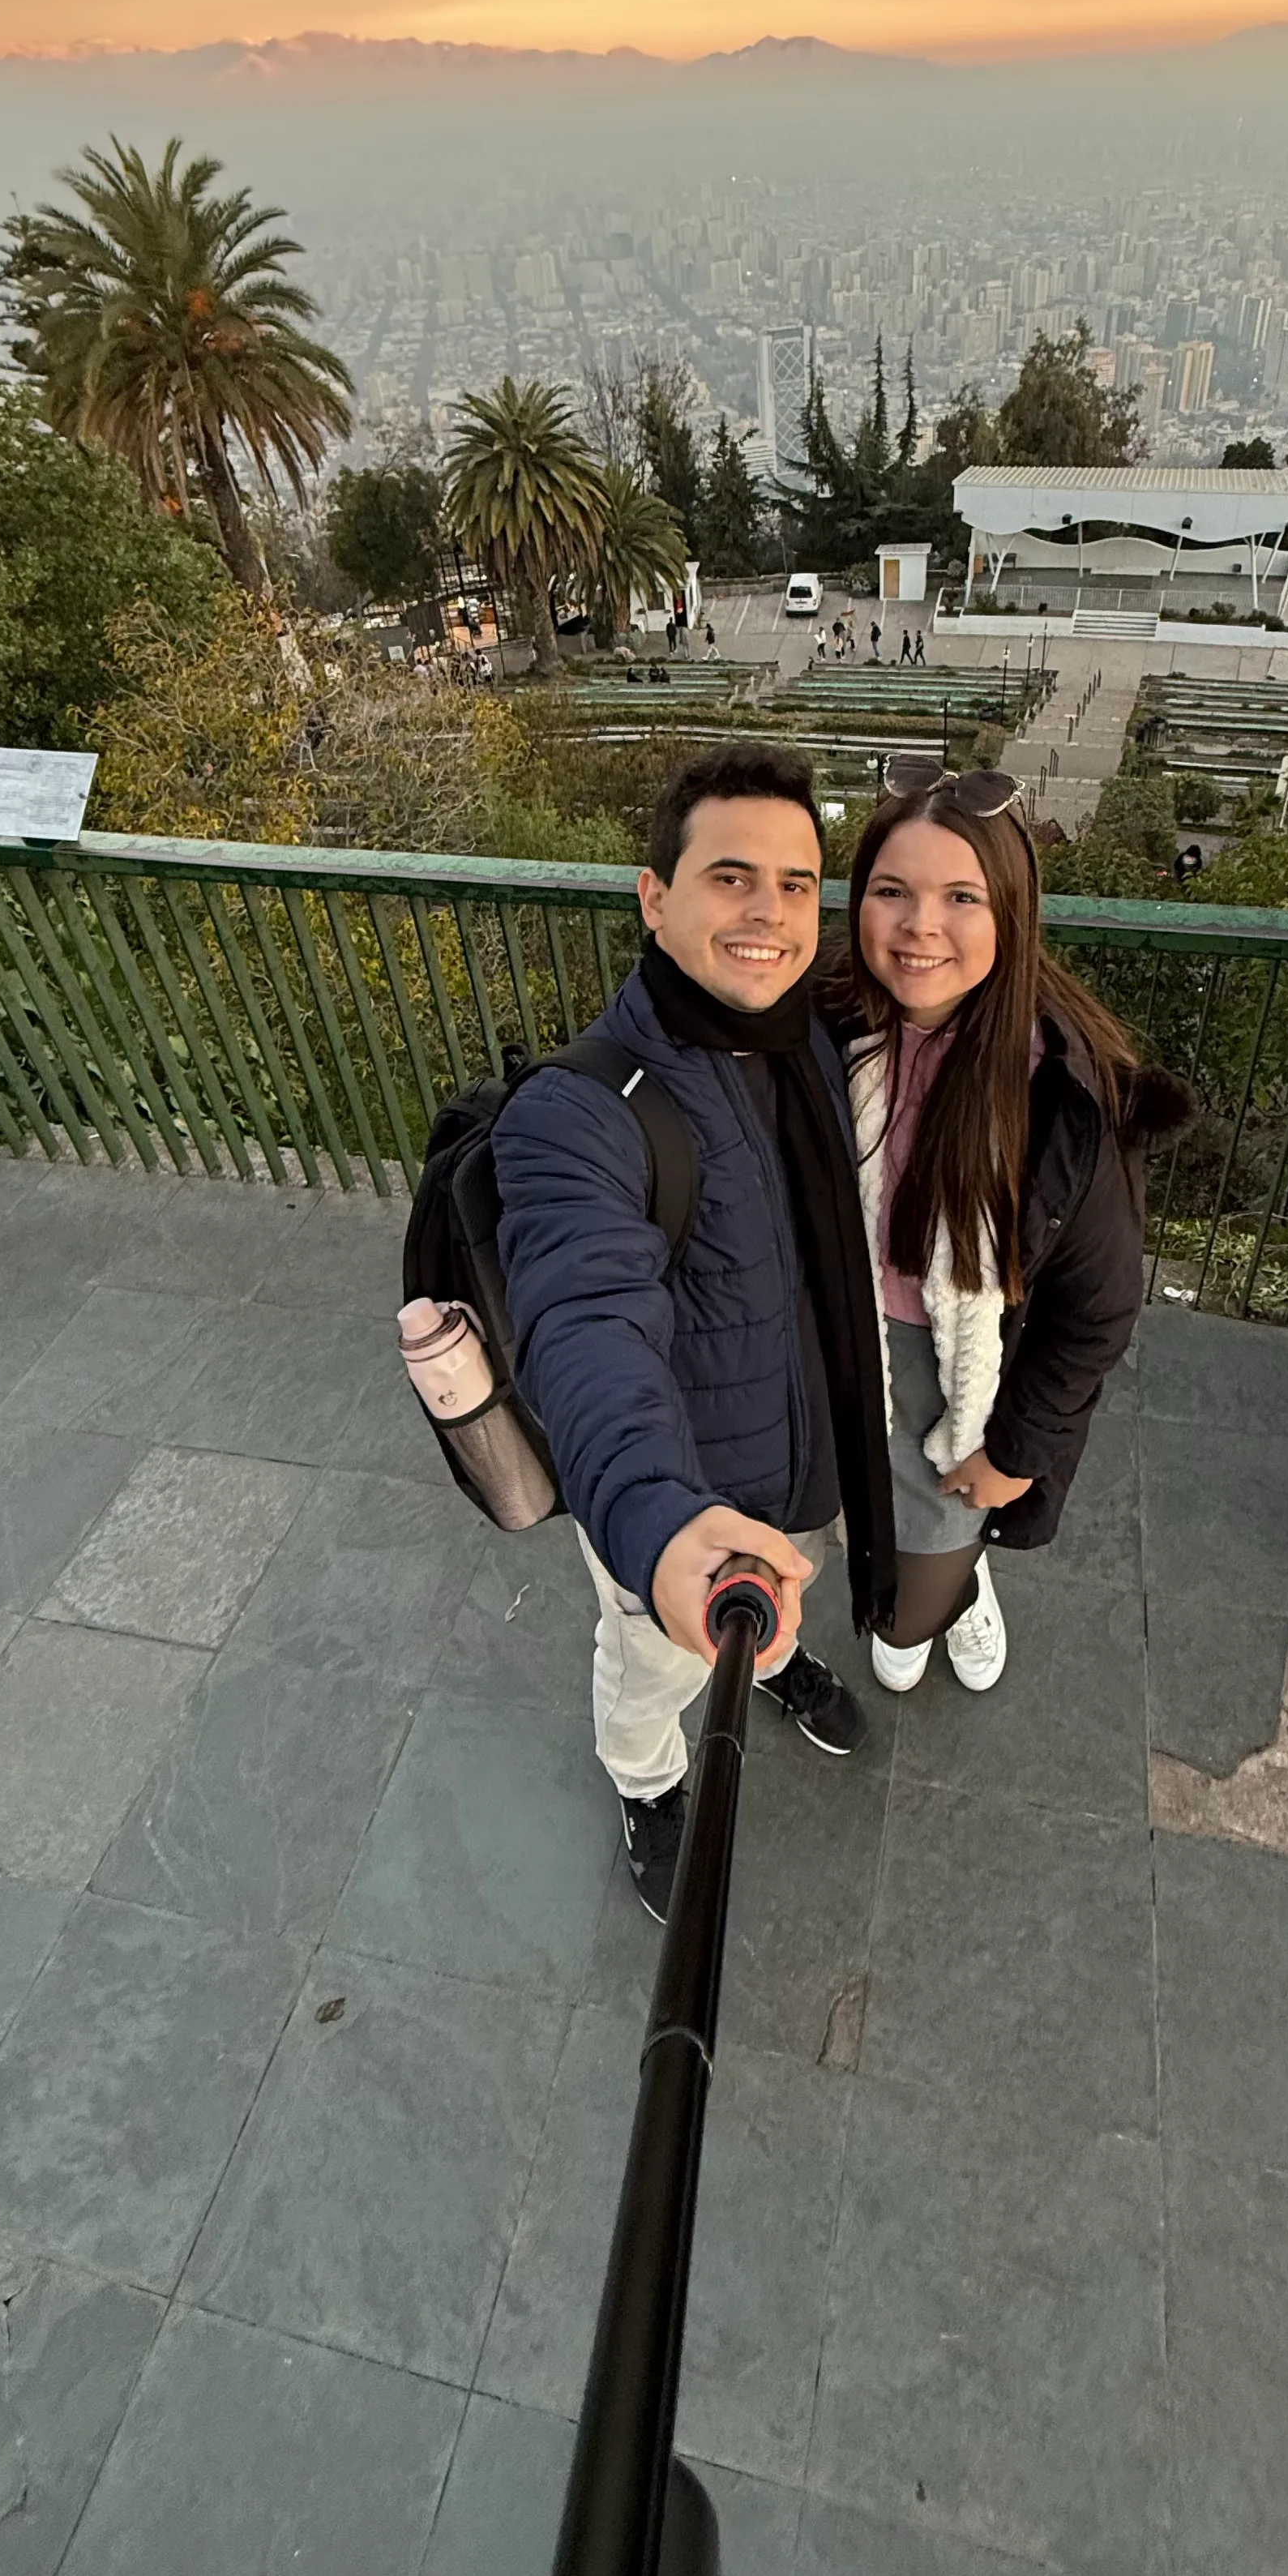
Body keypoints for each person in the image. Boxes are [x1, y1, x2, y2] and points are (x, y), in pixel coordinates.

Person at [494, 746, 892, 1918]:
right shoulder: (576, 1112)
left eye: (795, 882)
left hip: (795, 1453)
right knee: (650, 1667)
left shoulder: (804, 1040)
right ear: (655, 897)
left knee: (768, 1591)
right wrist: (658, 1523)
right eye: (730, 877)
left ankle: (767, 1654)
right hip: (675, 1495)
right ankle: (649, 1786)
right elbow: (583, 1323)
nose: (769, 911)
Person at [824, 759, 1193, 1689]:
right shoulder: (825, 1025)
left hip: (979, 1363)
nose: (921, 928)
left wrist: (1016, 1452)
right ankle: (930, 1589)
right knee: (871, 1505)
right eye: (892, 892)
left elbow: (1098, 1307)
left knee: (949, 1519)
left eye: (961, 897)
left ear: (1011, 916)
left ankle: (954, 1591)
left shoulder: (1057, 1095)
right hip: (854, 1330)